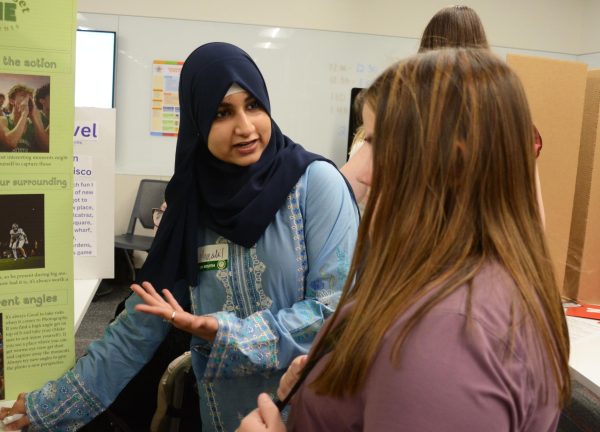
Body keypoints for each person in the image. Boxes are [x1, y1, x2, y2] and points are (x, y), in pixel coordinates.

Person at [0, 42, 358, 432]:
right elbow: (137, 330)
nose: (245, 126)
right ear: (197, 120)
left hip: (312, 414)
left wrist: (223, 332)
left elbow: (335, 315)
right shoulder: (191, 205)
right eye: (222, 113)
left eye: (253, 106)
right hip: (226, 419)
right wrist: (46, 407)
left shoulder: (315, 185)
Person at [238, 48, 570, 431]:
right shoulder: (461, 288)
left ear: (455, 161)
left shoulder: (448, 336)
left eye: (377, 144)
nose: (364, 174)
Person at [0, 84, 49, 152]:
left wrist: (35, 118)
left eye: (30, 97)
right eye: (23, 95)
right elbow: (11, 143)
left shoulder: (33, 123)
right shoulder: (2, 120)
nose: (28, 99)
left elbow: (47, 148)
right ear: (12, 101)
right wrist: (24, 114)